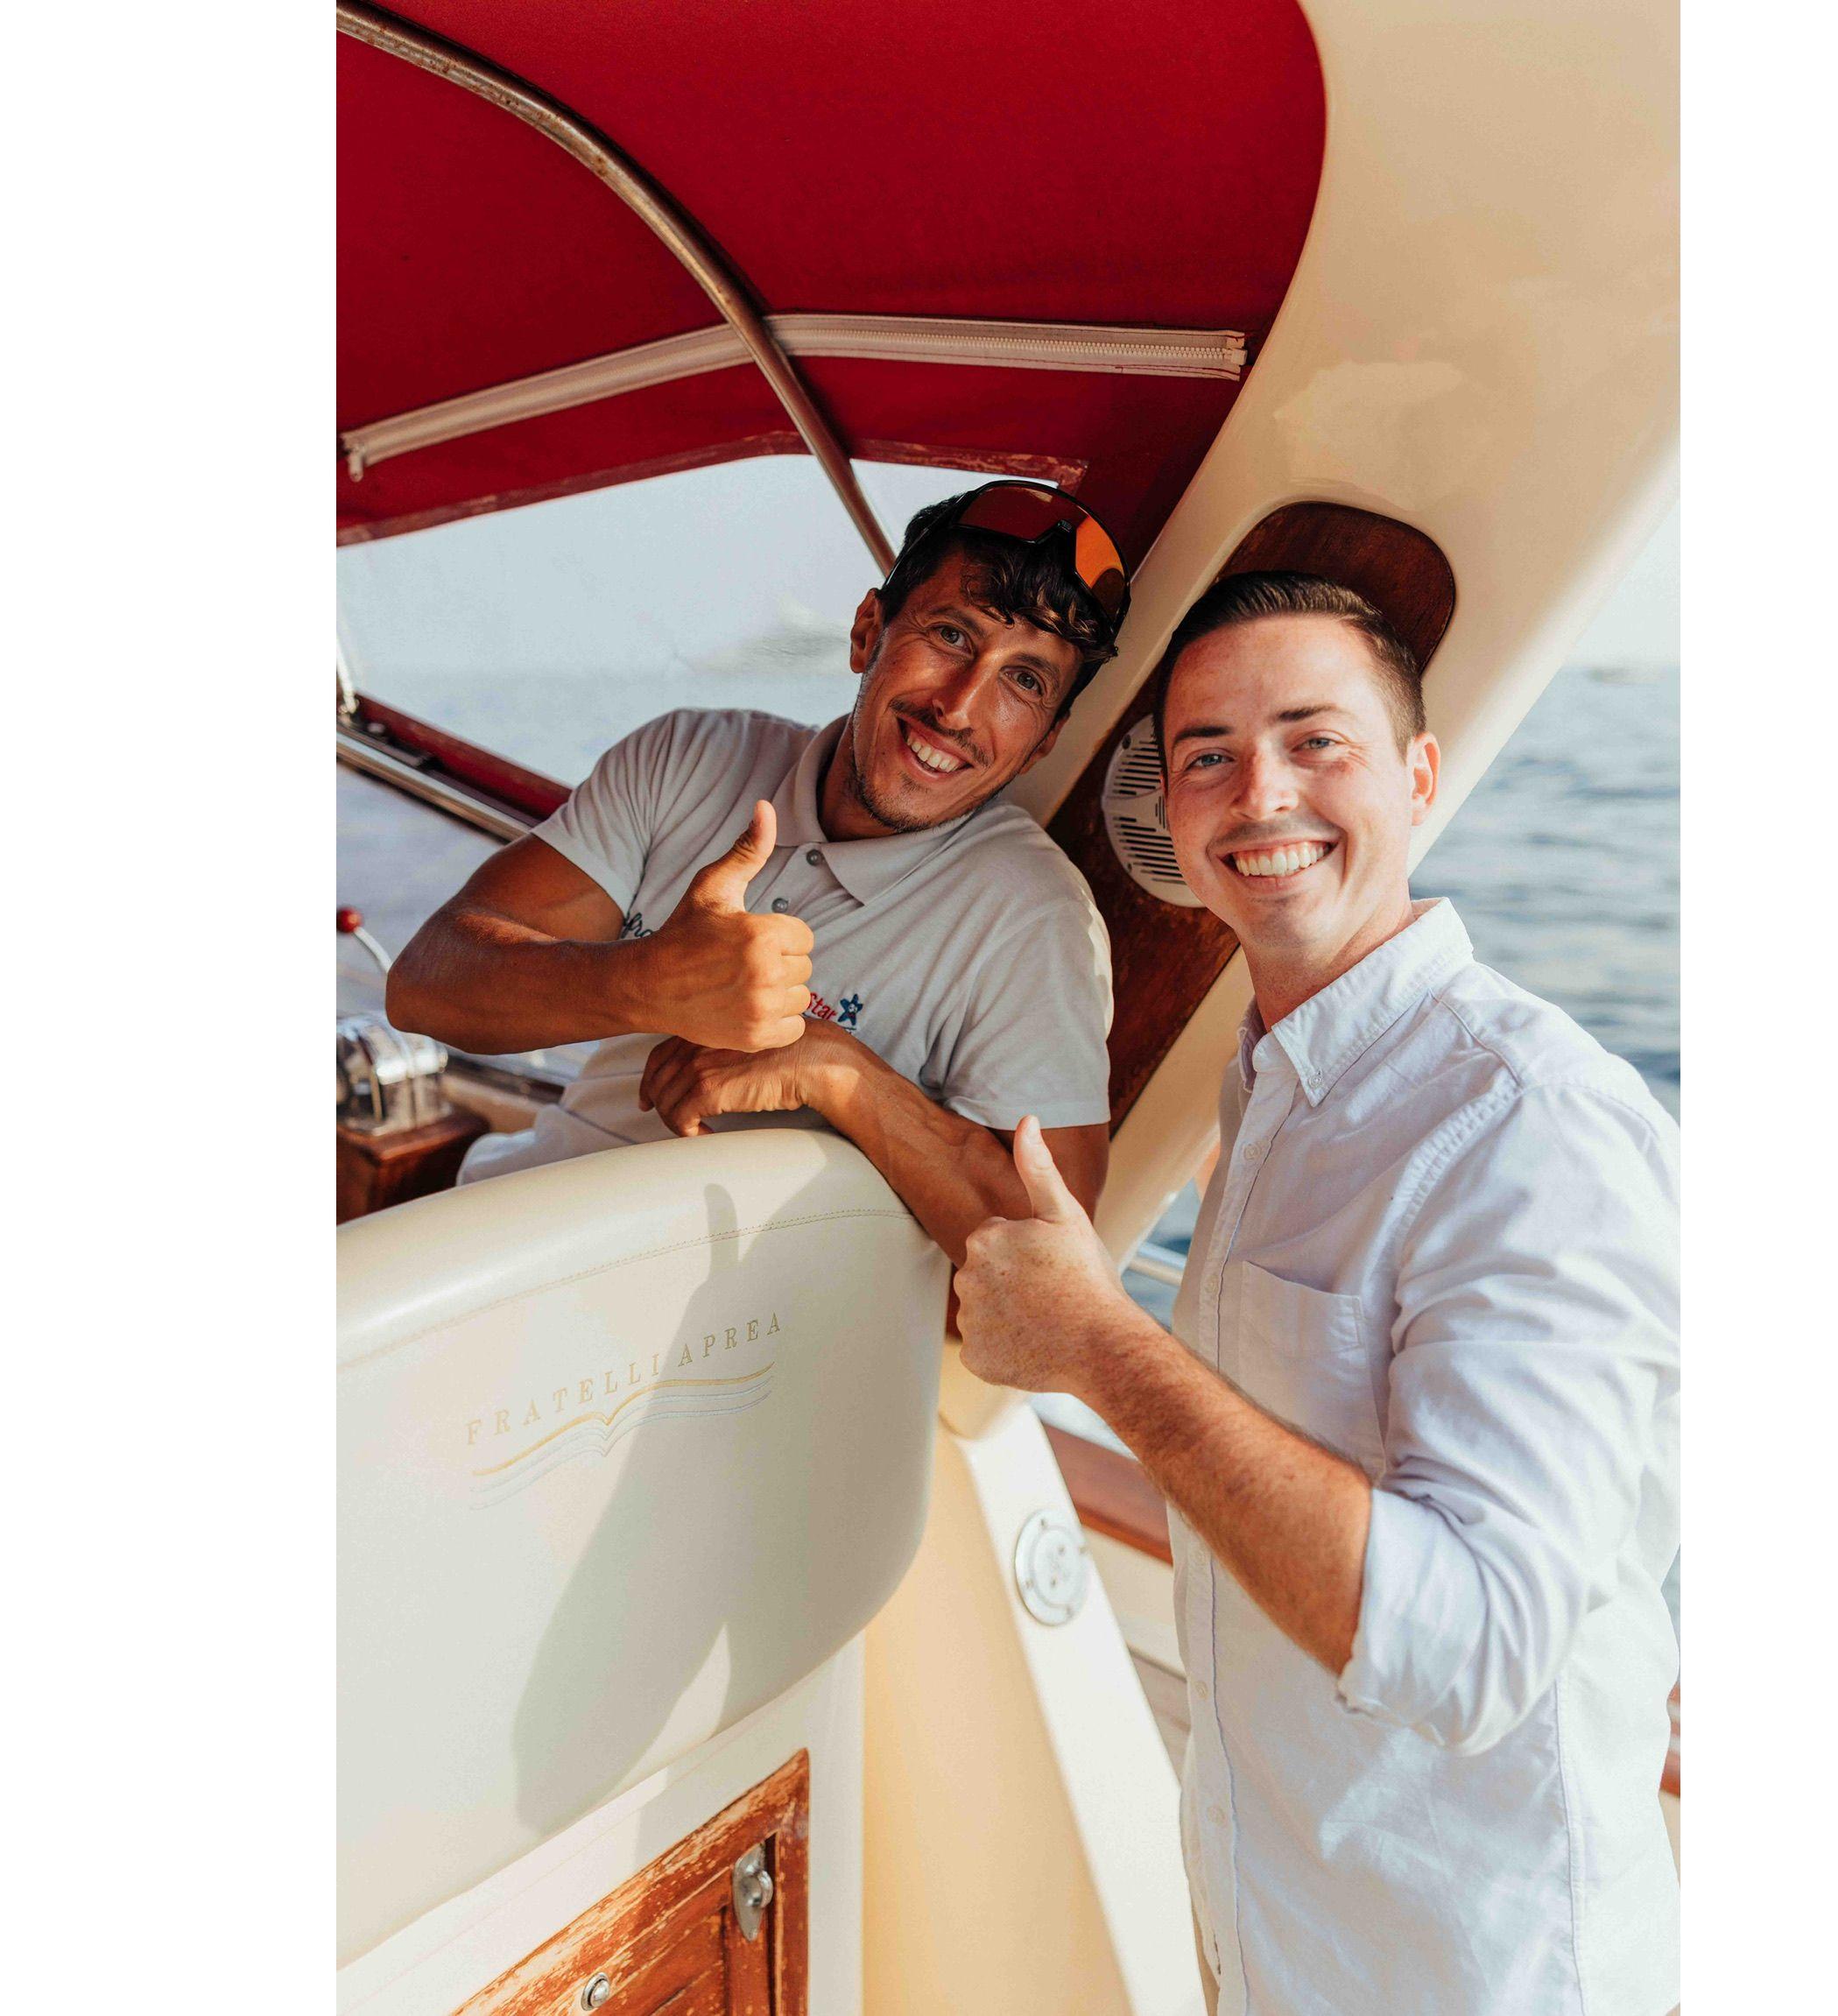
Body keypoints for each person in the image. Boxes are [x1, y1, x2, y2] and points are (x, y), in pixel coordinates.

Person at [952, 573, 1680, 2016]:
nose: (1258, 792)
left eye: (1314, 740)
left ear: (1419, 774)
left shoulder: (1528, 1124)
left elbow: (1474, 1642)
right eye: (1207, 755)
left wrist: (1100, 1344)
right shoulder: (1275, 1082)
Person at [387, 483, 1130, 1254]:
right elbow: (423, 986)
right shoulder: (688, 757)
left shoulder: (1036, 919)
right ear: (867, 632)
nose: (961, 706)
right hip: (505, 1237)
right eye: (950, 635)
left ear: (1044, 742)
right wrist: (645, 981)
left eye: (1025, 680)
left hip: (735, 1320)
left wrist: (834, 1070)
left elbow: (1057, 1253)